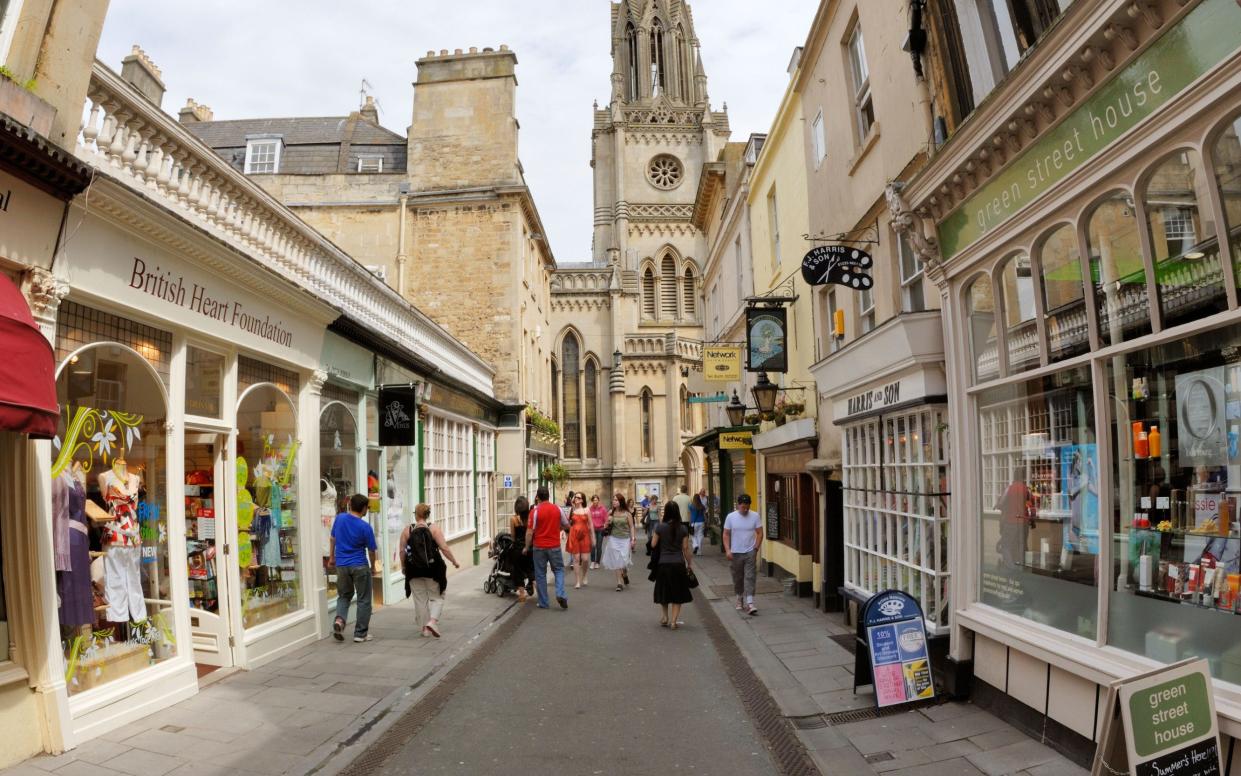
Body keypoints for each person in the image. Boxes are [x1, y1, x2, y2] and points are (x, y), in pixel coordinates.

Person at [400, 503, 460, 638]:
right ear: (427, 515)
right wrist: (454, 561)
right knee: (437, 597)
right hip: (432, 570)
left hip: (413, 570)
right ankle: (432, 621)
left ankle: (424, 630)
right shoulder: (433, 529)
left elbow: (402, 551)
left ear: (416, 515)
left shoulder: (407, 530)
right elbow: (444, 548)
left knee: (420, 600)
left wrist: (403, 567)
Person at [330, 494, 378, 643]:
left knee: (344, 595)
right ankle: (360, 634)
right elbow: (371, 550)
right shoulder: (365, 527)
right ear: (363, 508)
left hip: (342, 565)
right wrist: (373, 567)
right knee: (364, 600)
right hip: (359, 565)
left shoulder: (340, 518)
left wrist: (332, 557)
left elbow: (332, 539)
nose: (367, 510)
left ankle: (339, 620)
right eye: (367, 507)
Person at [524, 486, 568, 609]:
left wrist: (526, 547)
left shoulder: (535, 511)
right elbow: (566, 524)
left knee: (540, 574)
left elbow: (529, 532)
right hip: (554, 545)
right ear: (549, 495)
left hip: (539, 547)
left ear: (537, 497)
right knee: (558, 570)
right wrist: (558, 528)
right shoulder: (557, 509)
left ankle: (543, 602)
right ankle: (560, 593)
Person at [650, 501, 693, 629]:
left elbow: (653, 544)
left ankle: (665, 617)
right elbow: (685, 548)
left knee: (664, 591)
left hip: (663, 564)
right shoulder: (683, 528)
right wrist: (689, 563)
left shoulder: (660, 527)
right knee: (677, 593)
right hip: (678, 564)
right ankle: (674, 621)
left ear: (666, 512)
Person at [723, 493, 762, 616]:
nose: (745, 509)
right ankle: (739, 597)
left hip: (750, 551)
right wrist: (728, 550)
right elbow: (726, 534)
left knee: (750, 576)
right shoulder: (731, 517)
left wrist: (756, 548)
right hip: (735, 552)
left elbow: (760, 533)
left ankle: (750, 602)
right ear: (738, 505)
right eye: (743, 507)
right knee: (738, 577)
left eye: (747, 507)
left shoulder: (755, 516)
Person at [601, 493, 636, 591]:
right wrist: (608, 522)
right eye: (613, 500)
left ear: (620, 502)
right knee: (617, 560)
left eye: (616, 500)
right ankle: (619, 583)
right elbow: (605, 526)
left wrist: (633, 539)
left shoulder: (627, 513)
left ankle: (624, 574)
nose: (614, 501)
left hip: (625, 540)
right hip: (614, 539)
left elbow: (632, 526)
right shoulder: (610, 512)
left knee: (623, 561)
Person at [565, 493, 594, 588]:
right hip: (574, 535)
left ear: (582, 500)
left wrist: (593, 537)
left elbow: (591, 524)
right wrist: (566, 533)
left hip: (585, 535)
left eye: (578, 497)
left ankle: (584, 575)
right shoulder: (572, 509)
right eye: (575, 497)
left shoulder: (586, 510)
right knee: (576, 559)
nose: (576, 499)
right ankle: (577, 581)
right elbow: (568, 523)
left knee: (585, 559)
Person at [509, 496, 534, 602]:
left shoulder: (513, 519)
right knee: (531, 570)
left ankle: (522, 594)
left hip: (518, 549)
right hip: (530, 548)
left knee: (518, 571)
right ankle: (539, 591)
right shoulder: (530, 518)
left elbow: (513, 536)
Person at [588, 495, 608, 569]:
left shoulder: (602, 509)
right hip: (592, 530)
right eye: (594, 500)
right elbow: (588, 520)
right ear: (592, 501)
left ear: (598, 501)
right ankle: (593, 562)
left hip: (600, 529)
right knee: (593, 546)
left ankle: (597, 562)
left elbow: (606, 519)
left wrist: (605, 526)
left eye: (596, 500)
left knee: (599, 547)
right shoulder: (590, 509)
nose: (595, 501)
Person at [689, 490, 707, 555]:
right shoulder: (702, 506)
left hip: (694, 522)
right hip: (701, 522)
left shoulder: (691, 506)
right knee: (700, 536)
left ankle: (695, 545)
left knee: (693, 535)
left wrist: (690, 522)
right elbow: (704, 515)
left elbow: (690, 515)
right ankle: (699, 551)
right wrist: (706, 521)